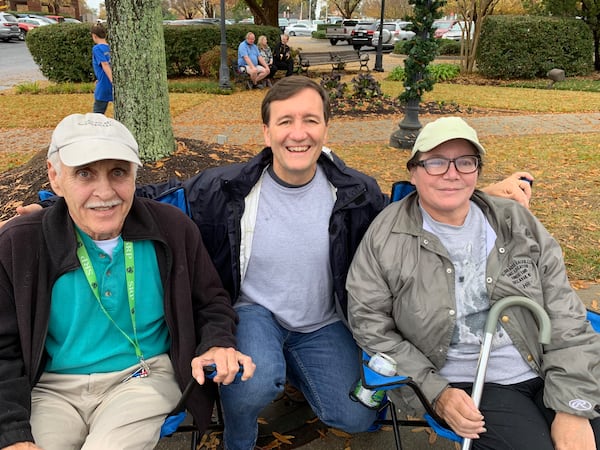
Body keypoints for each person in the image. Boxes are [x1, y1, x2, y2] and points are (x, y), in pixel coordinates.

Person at [5, 78, 534, 450]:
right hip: (254, 311)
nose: (297, 132)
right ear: (266, 131)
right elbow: (148, 195)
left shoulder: (356, 191)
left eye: (310, 119)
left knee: (354, 415)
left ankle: (302, 378)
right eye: (285, 121)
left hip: (326, 319)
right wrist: (53, 206)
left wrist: (481, 190)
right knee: (251, 381)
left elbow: (415, 200)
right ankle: (240, 438)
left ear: (326, 128)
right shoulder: (224, 186)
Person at [0, 113, 255, 450]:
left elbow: (211, 302)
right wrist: (13, 433)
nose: (104, 192)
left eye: (118, 172)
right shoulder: (20, 244)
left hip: (143, 375)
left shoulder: (172, 229)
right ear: (55, 177)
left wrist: (217, 342)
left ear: (135, 176)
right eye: (85, 173)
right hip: (51, 388)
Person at [346, 117, 600, 450]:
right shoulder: (386, 238)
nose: (451, 173)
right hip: (466, 383)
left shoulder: (515, 222)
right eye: (436, 162)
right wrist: (436, 393)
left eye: (465, 162)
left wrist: (573, 406)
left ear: (477, 171)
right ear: (413, 171)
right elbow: (371, 326)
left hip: (545, 364)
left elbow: (564, 312)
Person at [91, 23, 113, 114]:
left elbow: (104, 64)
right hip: (109, 84)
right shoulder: (110, 48)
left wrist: (112, 80)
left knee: (97, 115)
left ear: (94, 36)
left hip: (104, 86)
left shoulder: (97, 49)